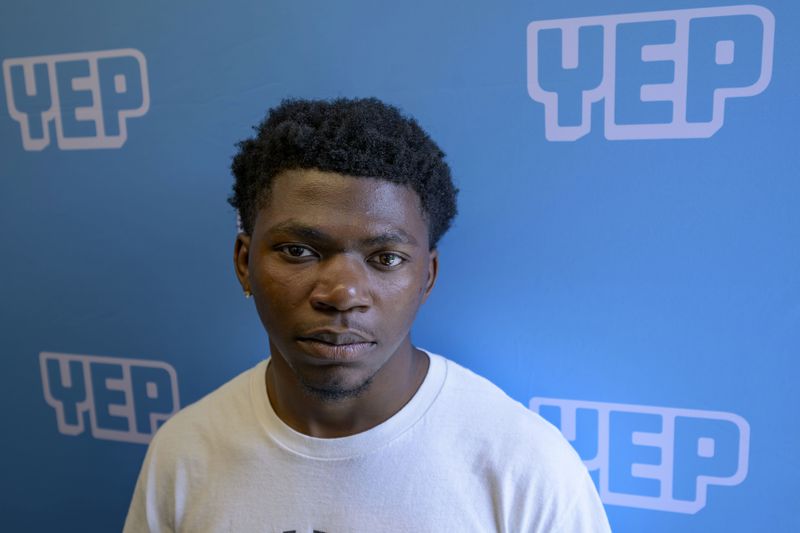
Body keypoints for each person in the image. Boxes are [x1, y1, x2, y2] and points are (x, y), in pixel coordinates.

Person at [123, 98, 612, 532]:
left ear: (428, 277)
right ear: (243, 264)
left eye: (386, 258)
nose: (343, 294)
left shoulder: (525, 467)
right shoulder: (183, 452)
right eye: (298, 250)